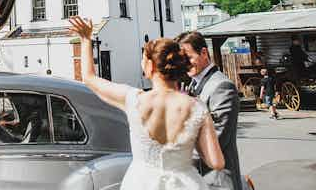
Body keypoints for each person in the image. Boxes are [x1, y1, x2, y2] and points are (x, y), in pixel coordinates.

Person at [69, 17, 224, 190]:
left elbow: (89, 78)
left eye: (143, 60)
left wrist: (86, 40)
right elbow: (216, 162)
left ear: (150, 66)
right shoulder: (197, 107)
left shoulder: (133, 99)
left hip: (141, 183)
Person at [177, 31, 242, 190]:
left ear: (204, 52)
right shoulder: (191, 85)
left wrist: (173, 158)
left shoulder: (222, 87)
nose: (185, 63)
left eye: (189, 57)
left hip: (217, 180)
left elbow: (217, 140)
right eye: (181, 60)